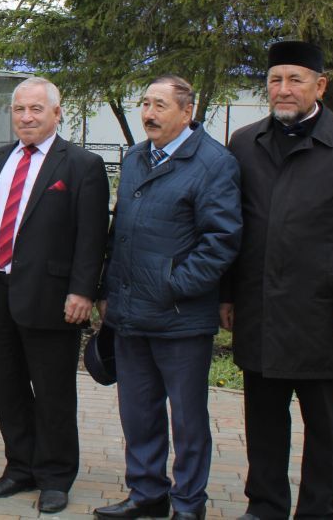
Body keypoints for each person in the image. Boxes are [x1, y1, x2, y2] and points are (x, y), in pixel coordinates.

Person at [223, 41, 333, 520]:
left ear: (319, 86)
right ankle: (266, 506)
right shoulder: (245, 142)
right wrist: (227, 294)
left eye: (295, 80)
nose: (283, 89)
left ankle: (318, 511)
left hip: (323, 311)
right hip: (259, 308)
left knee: (323, 423)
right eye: (275, 80)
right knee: (262, 420)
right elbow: (230, 225)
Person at [96, 75, 242, 520]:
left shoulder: (215, 163)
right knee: (138, 413)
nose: (149, 113)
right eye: (144, 103)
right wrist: (107, 289)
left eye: (160, 104)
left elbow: (222, 239)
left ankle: (188, 503)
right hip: (130, 313)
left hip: (180, 318)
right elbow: (120, 232)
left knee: (187, 419)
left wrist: (172, 285)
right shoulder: (138, 157)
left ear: (187, 111)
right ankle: (147, 494)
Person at [0, 77, 109, 513]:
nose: (26, 117)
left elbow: (92, 236)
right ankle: (20, 467)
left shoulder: (81, 165)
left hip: (53, 297)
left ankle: (55, 475)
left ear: (56, 111)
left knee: (53, 391)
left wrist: (83, 291)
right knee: (8, 388)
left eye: (36, 109)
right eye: (19, 110)